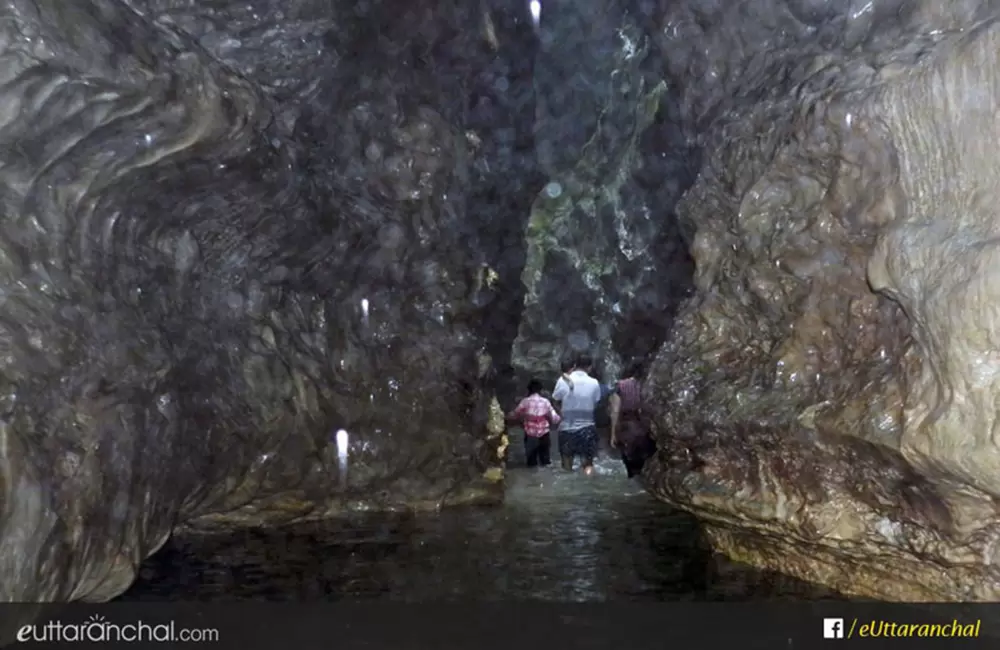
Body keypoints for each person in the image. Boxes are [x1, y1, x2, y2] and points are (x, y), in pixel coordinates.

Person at [552, 354, 602, 473]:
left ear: (574, 366)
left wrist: (561, 414)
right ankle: (589, 485)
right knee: (588, 465)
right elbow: (596, 403)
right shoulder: (594, 383)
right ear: (589, 367)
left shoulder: (563, 380)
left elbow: (554, 400)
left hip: (566, 429)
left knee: (566, 467)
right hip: (587, 429)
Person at [609, 359, 656, 478]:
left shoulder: (620, 386)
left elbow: (615, 410)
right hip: (645, 429)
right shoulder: (650, 385)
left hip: (626, 429)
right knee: (645, 463)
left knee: (630, 465)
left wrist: (613, 434)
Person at [507, 378, 561, 467]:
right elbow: (555, 419)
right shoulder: (545, 402)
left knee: (531, 464)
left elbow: (514, 415)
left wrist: (506, 417)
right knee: (545, 463)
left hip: (530, 436)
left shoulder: (525, 402)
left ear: (529, 389)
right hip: (544, 436)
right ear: (540, 390)